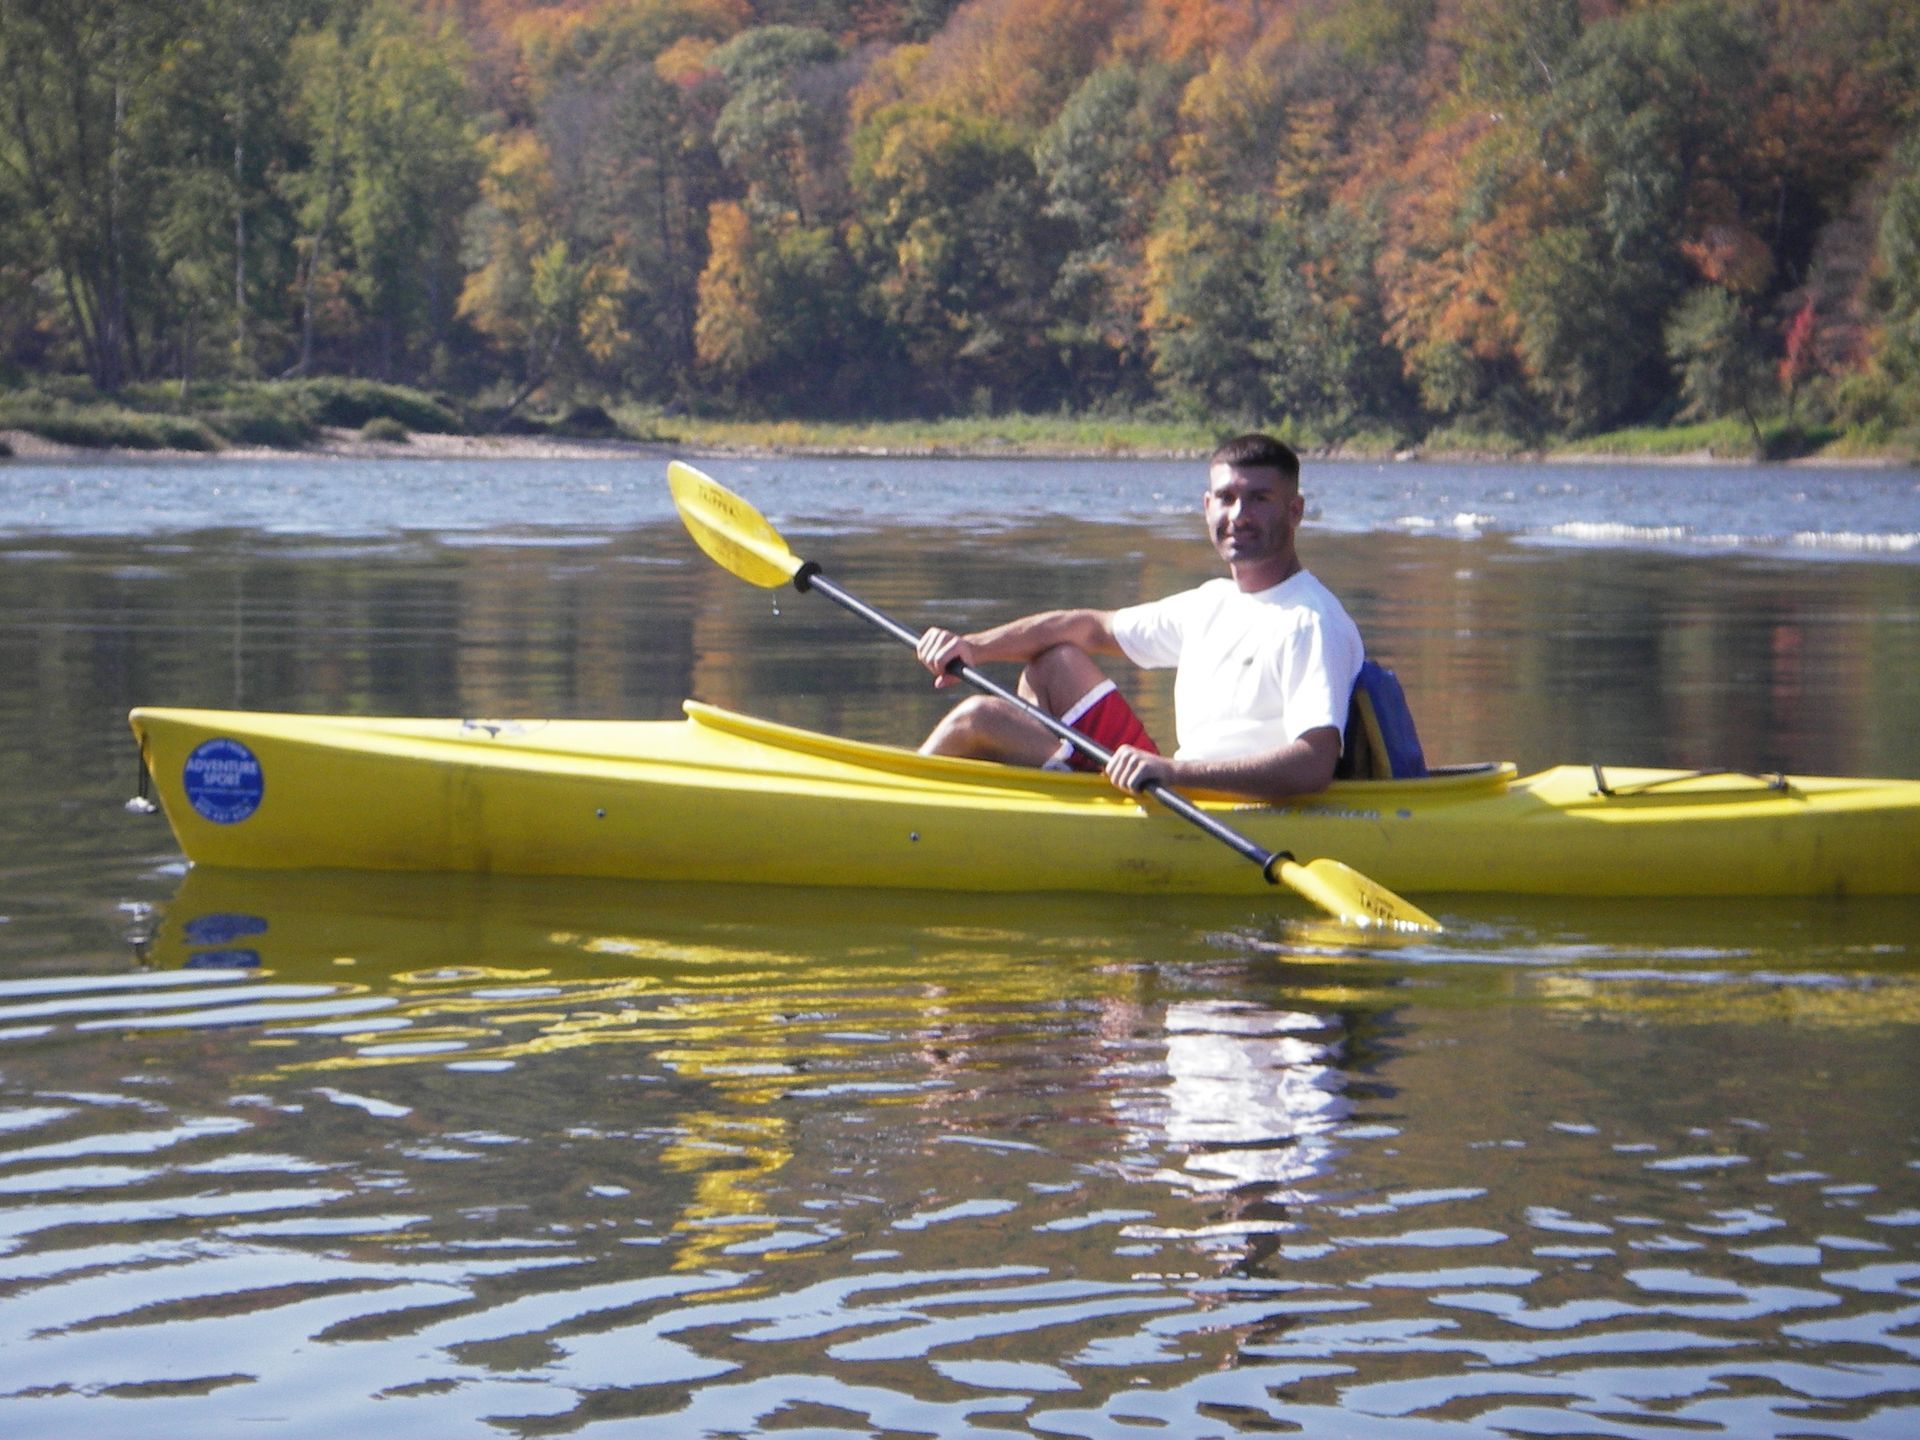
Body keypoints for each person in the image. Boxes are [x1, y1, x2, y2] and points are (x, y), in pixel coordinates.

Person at [915, 432, 1363, 802]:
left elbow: (1313, 764)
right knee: (1055, 660)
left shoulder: (1310, 620)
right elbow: (1090, 626)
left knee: (976, 719)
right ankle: (1044, 794)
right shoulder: (1212, 602)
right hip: (1167, 783)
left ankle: (912, 805)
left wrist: (1172, 770)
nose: (1238, 516)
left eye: (1259, 499)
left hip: (1209, 805)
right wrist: (974, 648)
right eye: (1226, 498)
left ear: (1295, 511)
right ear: (1207, 506)